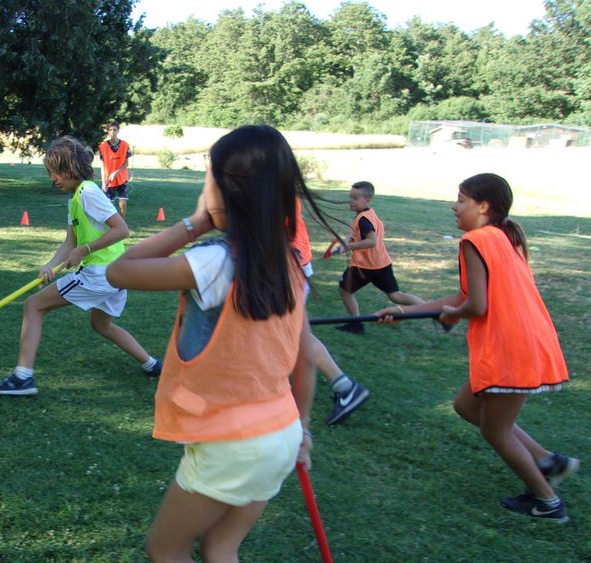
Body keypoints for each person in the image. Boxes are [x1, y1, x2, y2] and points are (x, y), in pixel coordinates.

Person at [107, 125, 335, 561]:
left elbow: (120, 270)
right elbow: (305, 358)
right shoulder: (290, 264)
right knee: (220, 547)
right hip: (281, 433)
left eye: (207, 178)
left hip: (232, 442)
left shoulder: (213, 262)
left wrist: (194, 223)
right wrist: (302, 428)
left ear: (225, 191)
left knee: (166, 548)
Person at [376, 173, 578, 523]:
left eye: (461, 199)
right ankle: (548, 461)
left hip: (510, 347)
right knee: (466, 406)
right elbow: (467, 297)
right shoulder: (503, 237)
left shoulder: (475, 241)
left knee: (494, 428)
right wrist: (405, 311)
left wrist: (452, 315)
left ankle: (547, 502)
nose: (454, 206)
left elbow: (474, 306)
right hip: (524, 342)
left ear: (483, 206)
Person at [0, 136, 162, 396]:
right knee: (102, 325)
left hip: (100, 275)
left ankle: (22, 378)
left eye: (56, 172)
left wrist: (85, 250)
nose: (53, 179)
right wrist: (50, 264)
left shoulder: (89, 193)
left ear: (69, 169)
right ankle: (152, 365)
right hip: (115, 275)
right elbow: (70, 241)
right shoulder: (76, 199)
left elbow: (122, 230)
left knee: (33, 306)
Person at [292, 199, 370, 425]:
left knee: (293, 332)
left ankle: (345, 387)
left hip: (287, 264)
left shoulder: (266, 176)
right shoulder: (269, 173)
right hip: (289, 261)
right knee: (288, 331)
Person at [337, 181, 423, 334]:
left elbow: (371, 241)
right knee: (396, 296)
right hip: (382, 263)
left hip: (364, 266)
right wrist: (346, 242)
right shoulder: (369, 214)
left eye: (355, 198)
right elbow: (358, 236)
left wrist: (349, 246)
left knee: (344, 290)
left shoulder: (363, 219)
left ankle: (356, 324)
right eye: (350, 197)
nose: (351, 201)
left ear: (367, 200)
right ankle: (434, 311)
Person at [98, 121, 133, 217]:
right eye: (110, 130)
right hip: (109, 179)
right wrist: (103, 182)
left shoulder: (125, 145)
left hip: (122, 178)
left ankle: (122, 222)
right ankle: (114, 224)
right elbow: (102, 165)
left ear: (118, 131)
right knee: (109, 204)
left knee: (123, 200)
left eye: (114, 129)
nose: (112, 132)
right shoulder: (103, 146)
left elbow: (126, 163)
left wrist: (116, 173)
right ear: (108, 132)